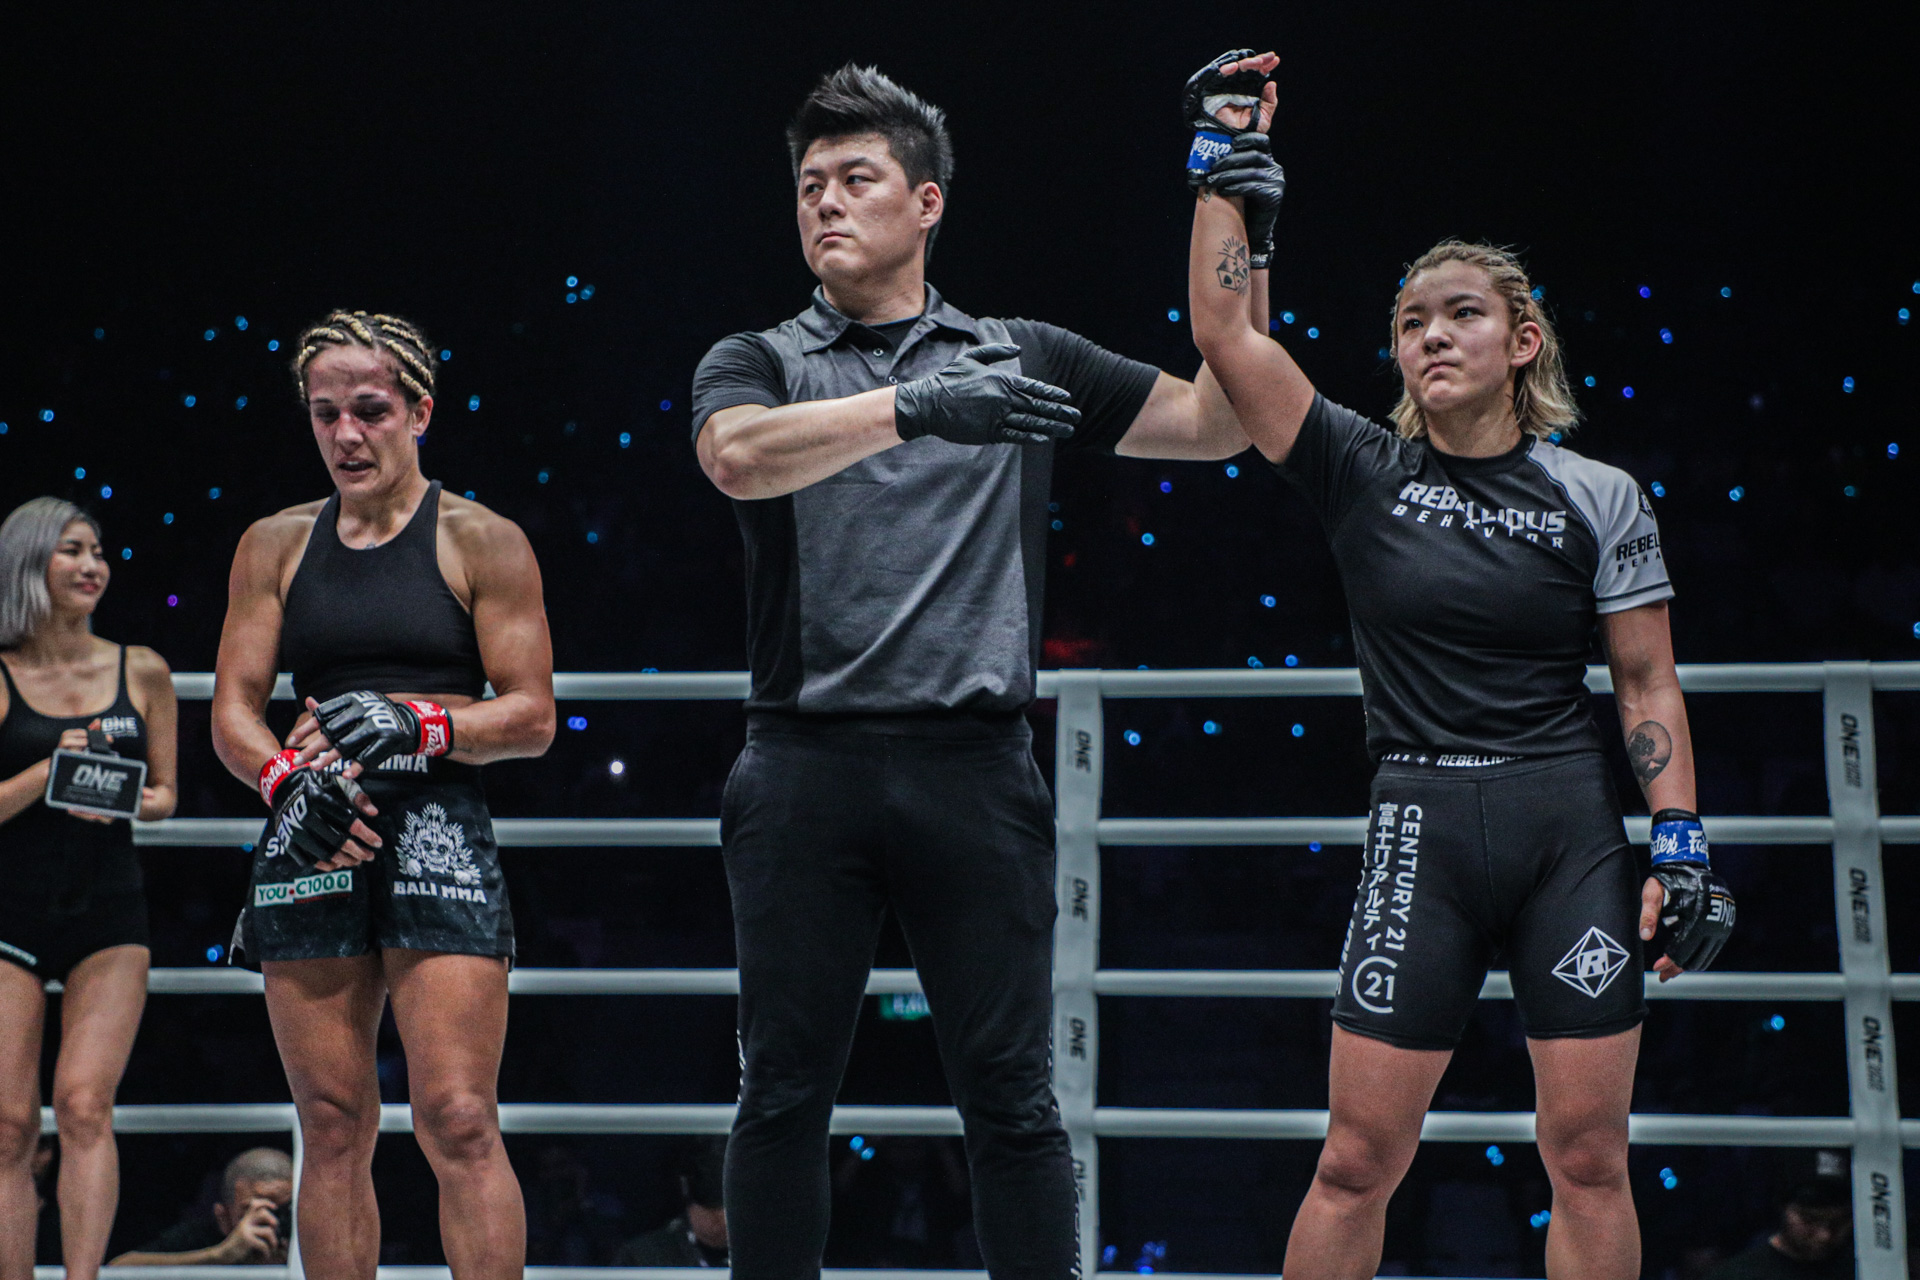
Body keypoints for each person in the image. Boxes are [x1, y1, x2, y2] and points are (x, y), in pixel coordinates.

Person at [693, 63, 1257, 1277]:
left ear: (927, 202)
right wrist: (916, 406)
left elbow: (1221, 421)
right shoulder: (759, 357)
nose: (824, 201)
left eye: (856, 177)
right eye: (808, 184)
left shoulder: (1020, 353)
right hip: (804, 764)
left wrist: (1234, 206)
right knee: (781, 1089)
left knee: (1012, 1096)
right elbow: (734, 457)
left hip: (975, 767)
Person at [1180, 51, 1736, 1280]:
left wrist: (1682, 841)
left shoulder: (1599, 493)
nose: (1432, 333)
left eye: (1461, 313)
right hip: (1420, 824)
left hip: (1566, 831)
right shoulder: (1358, 469)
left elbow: (1645, 683)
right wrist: (1225, 164)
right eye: (1411, 321)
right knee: (1352, 1159)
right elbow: (1225, 332)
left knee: (1589, 1156)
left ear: (1523, 339)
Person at [210, 310, 556, 1280]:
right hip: (312, 826)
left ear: (419, 412)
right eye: (326, 414)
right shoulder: (274, 543)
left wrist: (420, 719)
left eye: (369, 409)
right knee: (329, 1120)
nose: (347, 434)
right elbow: (233, 712)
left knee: (459, 1115)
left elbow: (532, 714)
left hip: (436, 824)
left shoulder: (482, 538)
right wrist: (285, 781)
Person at [0, 497, 179, 1280]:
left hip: (109, 907)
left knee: (82, 1105)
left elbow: (166, 796)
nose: (91, 565)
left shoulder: (142, 668)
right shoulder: (1, 672)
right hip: (8, 909)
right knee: (8, 1126)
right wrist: (50, 772)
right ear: (28, 563)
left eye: (97, 551)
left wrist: (118, 793)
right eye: (71, 550)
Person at [108, 1147, 293, 1267]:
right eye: (256, 1211)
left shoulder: (303, 1231)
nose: (272, 1221)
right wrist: (220, 1255)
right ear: (223, 1218)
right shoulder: (205, 1236)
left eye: (282, 1210)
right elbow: (118, 1269)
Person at [1703, 1172, 1852, 1279]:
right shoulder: (1739, 1274)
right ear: (1783, 1210)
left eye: (1839, 1222)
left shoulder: (1858, 1267)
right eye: (1810, 1220)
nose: (1825, 1235)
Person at [613, 1138, 728, 1267]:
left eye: (728, 1208)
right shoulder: (642, 1257)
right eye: (711, 1208)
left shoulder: (748, 1253)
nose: (722, 1218)